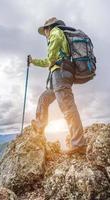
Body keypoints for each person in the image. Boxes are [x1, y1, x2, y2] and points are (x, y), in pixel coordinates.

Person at [29, 17, 86, 155]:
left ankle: (79, 144)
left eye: (45, 30)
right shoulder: (58, 34)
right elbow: (51, 61)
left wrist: (35, 61)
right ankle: (39, 126)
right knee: (44, 98)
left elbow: (51, 59)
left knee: (67, 107)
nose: (45, 34)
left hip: (60, 74)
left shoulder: (55, 32)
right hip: (59, 75)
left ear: (49, 28)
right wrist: (33, 61)